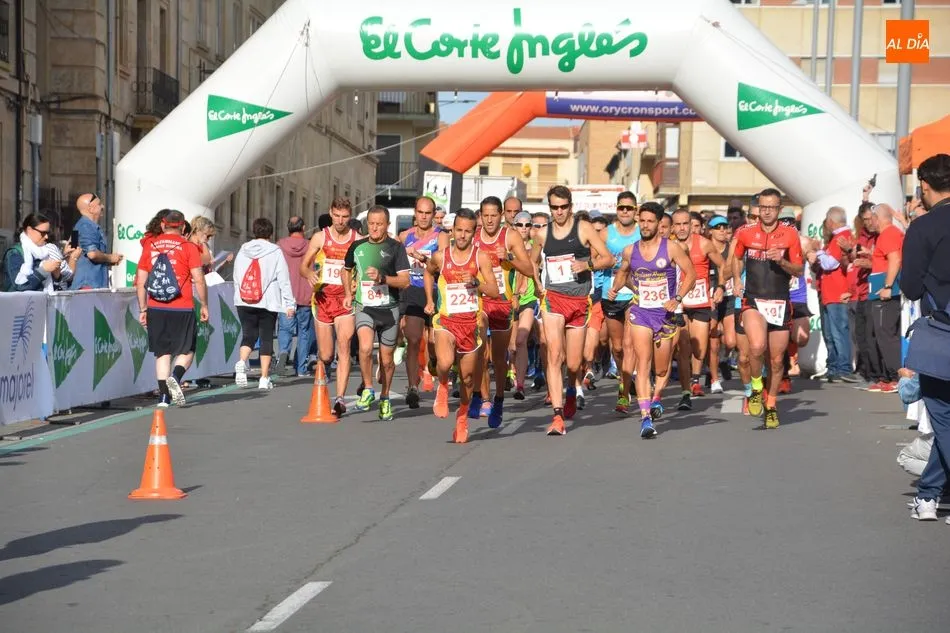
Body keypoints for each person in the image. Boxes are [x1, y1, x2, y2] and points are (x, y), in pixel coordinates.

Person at [608, 202, 695, 438]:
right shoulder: (630, 250)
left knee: (662, 367)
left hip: (665, 314)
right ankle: (646, 418)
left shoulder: (672, 248)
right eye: (642, 221)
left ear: (659, 224)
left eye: (650, 221)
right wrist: (617, 288)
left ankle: (657, 397)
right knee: (643, 363)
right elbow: (623, 272)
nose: (645, 225)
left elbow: (691, 274)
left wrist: (677, 298)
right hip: (641, 312)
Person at [531, 185, 613, 436]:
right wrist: (537, 284)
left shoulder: (583, 228)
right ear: (550, 208)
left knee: (574, 362)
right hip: (553, 299)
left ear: (570, 207)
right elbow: (533, 262)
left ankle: (570, 390)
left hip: (578, 301)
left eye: (563, 207)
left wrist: (587, 265)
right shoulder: (542, 234)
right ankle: (557, 416)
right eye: (554, 207)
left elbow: (608, 258)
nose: (559, 212)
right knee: (555, 355)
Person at [899, 153, 950, 522]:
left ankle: (930, 497)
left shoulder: (923, 227)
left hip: (941, 331)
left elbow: (912, 287)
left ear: (925, 187)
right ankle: (929, 495)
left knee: (943, 417)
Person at [423, 208, 500, 442]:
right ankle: (443, 385)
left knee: (467, 378)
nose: (462, 235)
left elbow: (494, 291)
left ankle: (462, 417)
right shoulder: (440, 257)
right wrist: (429, 300)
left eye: (467, 231)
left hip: (470, 324)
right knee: (445, 362)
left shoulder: (481, 258)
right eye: (459, 230)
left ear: (474, 233)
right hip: (446, 321)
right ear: (452, 231)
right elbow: (428, 273)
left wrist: (476, 283)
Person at [730, 189, 804, 429]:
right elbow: (736, 258)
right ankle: (755, 388)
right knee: (756, 346)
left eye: (772, 207)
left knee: (777, 361)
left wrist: (781, 261)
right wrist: (737, 280)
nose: (767, 212)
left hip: (779, 302)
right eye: (763, 207)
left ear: (779, 210)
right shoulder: (746, 233)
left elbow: (799, 269)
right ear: (757, 209)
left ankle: (771, 405)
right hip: (753, 300)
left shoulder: (790, 235)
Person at [471, 196, 538, 428]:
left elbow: (528, 269)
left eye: (494, 215)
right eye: (485, 215)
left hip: (502, 302)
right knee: (480, 351)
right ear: (480, 216)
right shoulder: (474, 237)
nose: (490, 220)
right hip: (479, 301)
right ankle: (484, 398)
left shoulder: (510, 236)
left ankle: (498, 398)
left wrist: (508, 257)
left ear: (501, 215)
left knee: (499, 358)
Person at [342, 205, 411, 421]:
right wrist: (348, 293)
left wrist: (383, 278)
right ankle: (369, 388)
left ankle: (385, 397)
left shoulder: (396, 248)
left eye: (379, 224)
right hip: (365, 307)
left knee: (387, 360)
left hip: (389, 309)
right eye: (371, 223)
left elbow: (405, 281)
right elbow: (346, 270)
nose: (374, 228)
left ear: (387, 225)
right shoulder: (357, 246)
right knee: (364, 348)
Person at [134, 210, 207, 407]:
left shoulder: (150, 245)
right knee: (188, 349)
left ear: (163, 225)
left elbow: (140, 282)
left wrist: (143, 309)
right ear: (183, 227)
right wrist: (204, 304)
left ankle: (164, 398)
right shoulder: (189, 247)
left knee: (162, 352)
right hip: (182, 306)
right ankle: (176, 376)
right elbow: (199, 279)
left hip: (156, 306)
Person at [301, 198, 360, 415]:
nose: (340, 221)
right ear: (330, 213)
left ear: (350, 216)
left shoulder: (357, 239)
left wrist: (357, 282)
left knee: (344, 346)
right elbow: (303, 266)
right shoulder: (320, 237)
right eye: (336, 216)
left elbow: (364, 266)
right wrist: (309, 273)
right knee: (326, 355)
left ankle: (340, 398)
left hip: (345, 300)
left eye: (345, 217)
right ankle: (322, 380)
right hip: (323, 299)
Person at [670, 208, 726, 407]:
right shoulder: (668, 246)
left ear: (691, 225)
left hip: (701, 302)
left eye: (685, 224)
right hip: (679, 303)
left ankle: (695, 376)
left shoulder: (703, 243)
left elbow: (723, 265)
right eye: (678, 224)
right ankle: (686, 391)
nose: (682, 228)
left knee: (699, 350)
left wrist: (720, 287)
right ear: (672, 227)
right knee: (683, 348)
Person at [233, 218, 296, 391]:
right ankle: (264, 377)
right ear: (271, 233)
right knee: (266, 337)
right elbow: (283, 279)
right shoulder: (275, 251)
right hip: (268, 301)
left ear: (254, 231)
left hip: (244, 300)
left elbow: (237, 275)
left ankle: (242, 361)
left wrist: (239, 295)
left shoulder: (243, 249)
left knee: (248, 335)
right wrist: (289, 304)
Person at [599, 192, 641, 413]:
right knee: (616, 347)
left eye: (629, 208)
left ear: (636, 210)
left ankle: (623, 394)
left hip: (635, 294)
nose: (625, 211)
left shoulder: (642, 232)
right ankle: (626, 378)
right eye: (621, 207)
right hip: (612, 293)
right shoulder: (606, 233)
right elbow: (595, 259)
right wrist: (607, 262)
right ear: (616, 209)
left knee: (628, 344)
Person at [808, 206, 860, 383]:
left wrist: (818, 251)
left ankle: (843, 368)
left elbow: (830, 264)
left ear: (830, 221)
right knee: (830, 333)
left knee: (838, 333)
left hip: (837, 293)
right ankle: (834, 368)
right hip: (829, 293)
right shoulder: (836, 238)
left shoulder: (841, 237)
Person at [399, 196, 441, 409]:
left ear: (433, 214)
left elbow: (444, 266)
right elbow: (396, 265)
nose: (424, 217)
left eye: (428, 213)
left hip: (435, 291)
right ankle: (412, 387)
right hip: (413, 291)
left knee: (433, 343)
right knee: (414, 340)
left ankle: (433, 361)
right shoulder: (404, 236)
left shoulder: (441, 237)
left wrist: (423, 258)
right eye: (420, 212)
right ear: (415, 213)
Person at [865, 203, 904, 393]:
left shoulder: (889, 234)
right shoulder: (888, 234)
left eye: (870, 218)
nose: (869, 222)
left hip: (887, 293)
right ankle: (888, 376)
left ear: (876, 218)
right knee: (881, 334)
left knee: (886, 334)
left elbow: (895, 259)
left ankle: (897, 377)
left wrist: (888, 286)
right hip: (880, 291)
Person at [277, 216, 315, 377]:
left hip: (286, 295)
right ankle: (301, 368)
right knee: (304, 332)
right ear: (303, 227)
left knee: (285, 328)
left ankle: (283, 352)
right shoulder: (310, 246)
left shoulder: (280, 245)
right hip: (305, 293)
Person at [508, 211, 539, 399]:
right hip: (508, 298)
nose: (524, 228)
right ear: (514, 227)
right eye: (520, 224)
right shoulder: (508, 246)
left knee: (521, 340)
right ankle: (510, 371)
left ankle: (520, 385)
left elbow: (534, 267)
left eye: (528, 225)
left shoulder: (536, 246)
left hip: (528, 298)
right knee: (511, 345)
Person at [4, 213, 78, 292]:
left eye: (47, 233)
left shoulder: (45, 251)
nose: (46, 237)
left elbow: (58, 284)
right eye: (42, 233)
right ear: (29, 230)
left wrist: (56, 276)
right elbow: (19, 286)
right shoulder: (15, 253)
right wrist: (43, 270)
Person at [71, 193, 123, 289]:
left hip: (84, 284)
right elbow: (92, 254)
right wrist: (110, 258)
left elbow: (72, 250)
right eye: (99, 204)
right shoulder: (87, 227)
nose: (103, 206)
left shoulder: (78, 226)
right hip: (89, 285)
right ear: (91, 209)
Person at [705, 215, 733, 394]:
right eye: (718, 227)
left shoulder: (732, 249)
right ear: (710, 231)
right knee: (713, 342)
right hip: (711, 298)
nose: (722, 230)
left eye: (725, 226)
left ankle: (724, 359)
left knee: (731, 341)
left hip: (729, 297)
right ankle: (714, 379)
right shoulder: (705, 248)